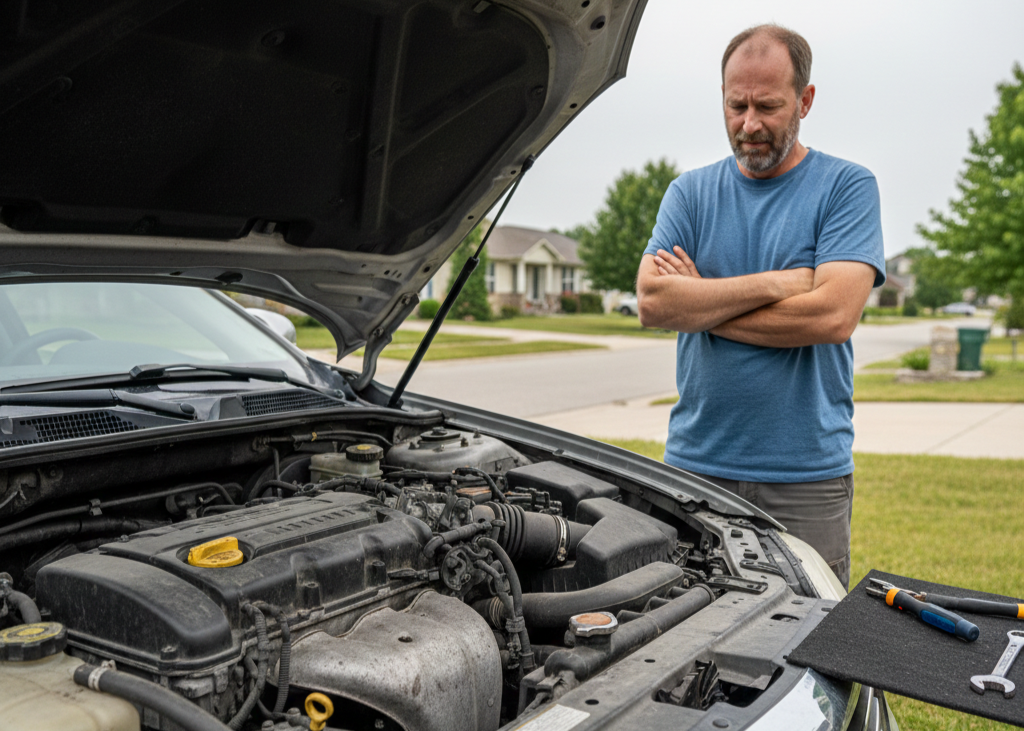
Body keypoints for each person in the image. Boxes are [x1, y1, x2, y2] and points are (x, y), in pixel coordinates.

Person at [636, 24, 885, 590]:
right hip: (696, 467)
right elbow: (653, 301)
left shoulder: (846, 187)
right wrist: (778, 283)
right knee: (685, 633)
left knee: (806, 639)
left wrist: (702, 303)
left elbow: (831, 317)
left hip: (805, 478)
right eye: (736, 105)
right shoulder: (690, 193)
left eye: (768, 106)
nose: (749, 124)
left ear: (805, 100)